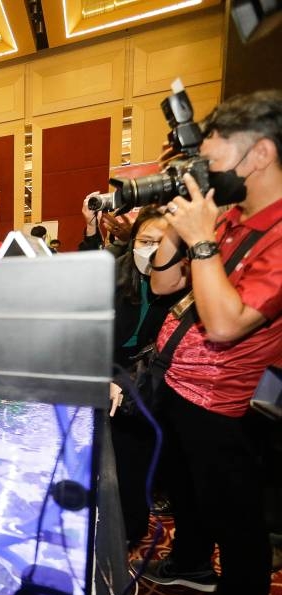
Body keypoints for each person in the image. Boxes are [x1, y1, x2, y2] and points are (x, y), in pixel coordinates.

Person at [138, 89, 282, 595]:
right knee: (193, 498)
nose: (208, 174)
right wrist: (178, 230)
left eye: (214, 163)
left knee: (239, 524)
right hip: (181, 387)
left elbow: (224, 324)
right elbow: (165, 286)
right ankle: (192, 564)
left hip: (230, 406)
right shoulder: (234, 216)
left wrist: (200, 237)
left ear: (260, 155)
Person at [104, 206, 184, 546]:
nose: (152, 250)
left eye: (161, 243)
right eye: (145, 240)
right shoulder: (109, 275)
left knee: (134, 456)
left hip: (149, 373)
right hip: (105, 365)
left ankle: (129, 532)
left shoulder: (180, 280)